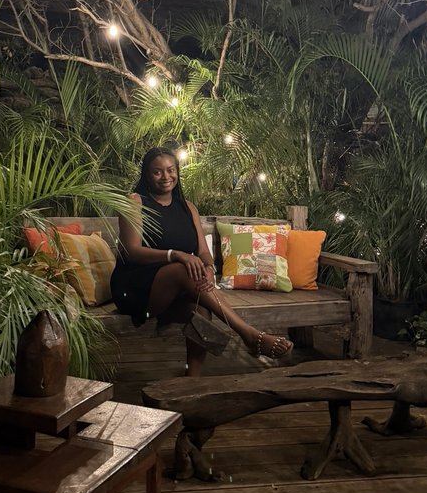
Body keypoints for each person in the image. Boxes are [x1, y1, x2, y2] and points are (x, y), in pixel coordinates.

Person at [110, 147, 294, 377]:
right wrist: (176, 254)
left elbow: (203, 252)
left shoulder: (188, 208)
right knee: (183, 268)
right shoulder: (135, 202)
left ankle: (193, 379)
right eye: (157, 172)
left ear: (177, 172)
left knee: (201, 310)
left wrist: (208, 268)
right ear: (147, 174)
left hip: (179, 287)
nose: (166, 177)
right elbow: (132, 251)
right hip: (137, 289)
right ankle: (248, 334)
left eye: (170, 170)